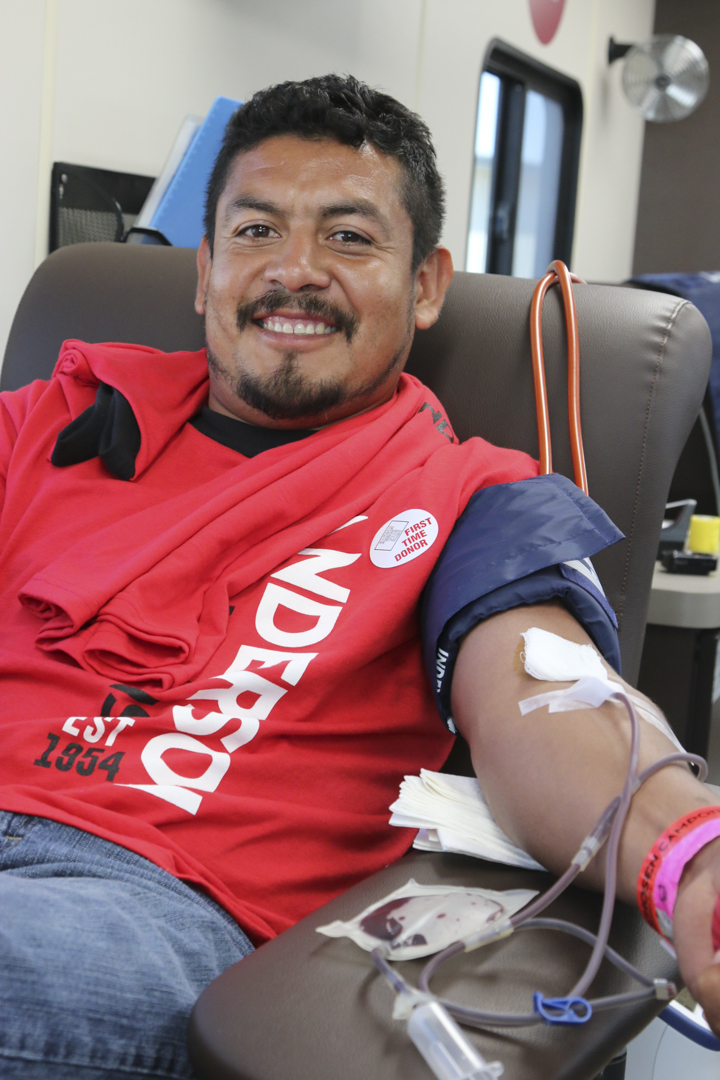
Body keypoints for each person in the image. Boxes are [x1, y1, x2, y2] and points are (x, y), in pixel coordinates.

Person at [0, 74, 719, 1078]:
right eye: (255, 232)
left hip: (143, 898)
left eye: (347, 238)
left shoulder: (473, 497)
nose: (294, 273)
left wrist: (692, 863)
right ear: (205, 270)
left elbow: (551, 702)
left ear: (426, 283)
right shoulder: (52, 417)